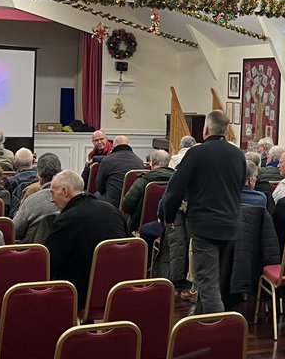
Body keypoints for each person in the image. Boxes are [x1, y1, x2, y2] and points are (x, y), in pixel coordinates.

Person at [159, 110, 246, 315]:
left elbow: (175, 188)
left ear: (206, 129)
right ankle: (199, 319)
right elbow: (240, 186)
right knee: (214, 278)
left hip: (206, 226)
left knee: (207, 281)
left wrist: (168, 215)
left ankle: (216, 332)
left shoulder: (197, 153)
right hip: (232, 224)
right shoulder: (238, 154)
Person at [44, 170, 127, 310]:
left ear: (65, 191)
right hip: (119, 291)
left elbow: (48, 262)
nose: (51, 199)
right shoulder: (112, 210)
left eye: (52, 193)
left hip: (79, 295)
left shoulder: (66, 220)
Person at [121, 149, 173, 234]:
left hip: (140, 226)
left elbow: (126, 206)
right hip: (169, 225)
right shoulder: (176, 180)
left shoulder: (142, 181)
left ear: (152, 163)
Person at [13, 153, 62, 243]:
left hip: (32, 252)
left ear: (39, 177)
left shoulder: (31, 201)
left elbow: (14, 231)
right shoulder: (71, 200)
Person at [97, 135, 145, 208]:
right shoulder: (139, 161)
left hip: (111, 204)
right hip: (133, 204)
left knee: (96, 195)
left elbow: (100, 186)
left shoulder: (107, 160)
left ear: (114, 145)